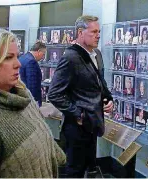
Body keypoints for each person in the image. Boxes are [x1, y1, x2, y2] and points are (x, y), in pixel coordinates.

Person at [0, 29, 66, 178]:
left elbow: (41, 132)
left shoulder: (24, 94)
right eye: (8, 57)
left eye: (17, 56)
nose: (18, 64)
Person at [48, 15, 113, 178]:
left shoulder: (96, 54)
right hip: (76, 128)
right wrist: (78, 114)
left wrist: (108, 98)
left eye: (99, 31)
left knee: (88, 169)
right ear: (80, 32)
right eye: (94, 31)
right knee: (74, 171)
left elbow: (99, 80)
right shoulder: (70, 57)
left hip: (93, 125)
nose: (98, 35)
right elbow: (54, 94)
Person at [19, 41, 46, 107]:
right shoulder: (31, 61)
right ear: (39, 51)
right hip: (30, 100)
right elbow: (32, 84)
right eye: (43, 54)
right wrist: (34, 102)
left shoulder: (23, 57)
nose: (43, 57)